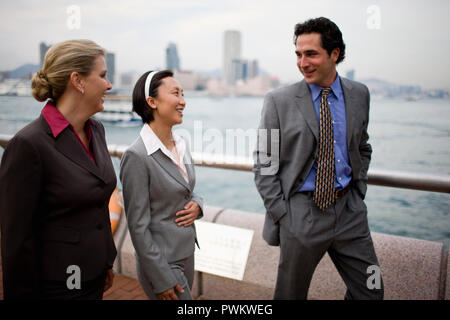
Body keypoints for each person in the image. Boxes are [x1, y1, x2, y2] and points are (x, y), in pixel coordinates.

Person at [254, 17, 384, 300]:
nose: (303, 63)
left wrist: (358, 191)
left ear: (334, 54)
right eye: (299, 55)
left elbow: (363, 146)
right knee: (290, 294)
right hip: (301, 214)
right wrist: (283, 213)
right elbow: (265, 161)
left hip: (350, 212)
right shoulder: (279, 100)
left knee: (371, 291)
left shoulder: (359, 94)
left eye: (311, 54)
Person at [0, 39, 117, 299]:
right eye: (102, 75)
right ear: (78, 80)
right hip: (56, 287)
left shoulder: (96, 130)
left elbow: (96, 205)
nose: (109, 85)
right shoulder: (28, 145)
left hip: (94, 275)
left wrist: (105, 261)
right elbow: (16, 242)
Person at [120, 70, 203, 300]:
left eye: (183, 94)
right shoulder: (136, 156)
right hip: (162, 262)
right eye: (175, 93)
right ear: (152, 101)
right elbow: (137, 226)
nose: (183, 101)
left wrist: (198, 204)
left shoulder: (181, 143)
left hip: (186, 253)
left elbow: (186, 190)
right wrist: (160, 276)